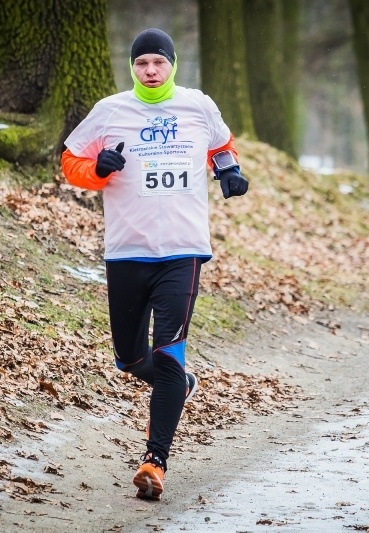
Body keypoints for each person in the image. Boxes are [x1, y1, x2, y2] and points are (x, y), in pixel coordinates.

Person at [60, 28, 248, 501]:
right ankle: (180, 384)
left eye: (158, 63)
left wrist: (229, 171)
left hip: (183, 250)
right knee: (129, 356)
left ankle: (154, 461)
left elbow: (221, 145)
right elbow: (70, 162)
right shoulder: (110, 111)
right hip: (127, 249)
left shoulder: (197, 105)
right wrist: (98, 167)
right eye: (142, 63)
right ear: (132, 68)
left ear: (172, 65)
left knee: (167, 351)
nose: (150, 71)